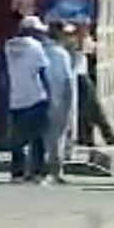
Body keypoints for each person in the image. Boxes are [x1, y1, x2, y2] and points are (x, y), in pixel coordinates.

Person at [4, 15, 51, 182]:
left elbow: (4, 73)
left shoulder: (8, 47)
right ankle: (37, 172)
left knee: (16, 139)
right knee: (37, 137)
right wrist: (50, 95)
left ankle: (17, 172)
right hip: (36, 97)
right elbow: (43, 73)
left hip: (15, 98)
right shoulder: (36, 47)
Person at [71, 29, 114, 147]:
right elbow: (88, 47)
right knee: (94, 108)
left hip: (80, 74)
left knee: (86, 110)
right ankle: (108, 137)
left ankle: (87, 138)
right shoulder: (73, 40)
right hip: (79, 76)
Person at [41, 23, 77, 184]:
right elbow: (68, 82)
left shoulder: (40, 50)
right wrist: (68, 105)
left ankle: (43, 171)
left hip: (40, 100)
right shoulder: (61, 54)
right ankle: (55, 171)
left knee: (45, 138)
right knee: (57, 139)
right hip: (59, 100)